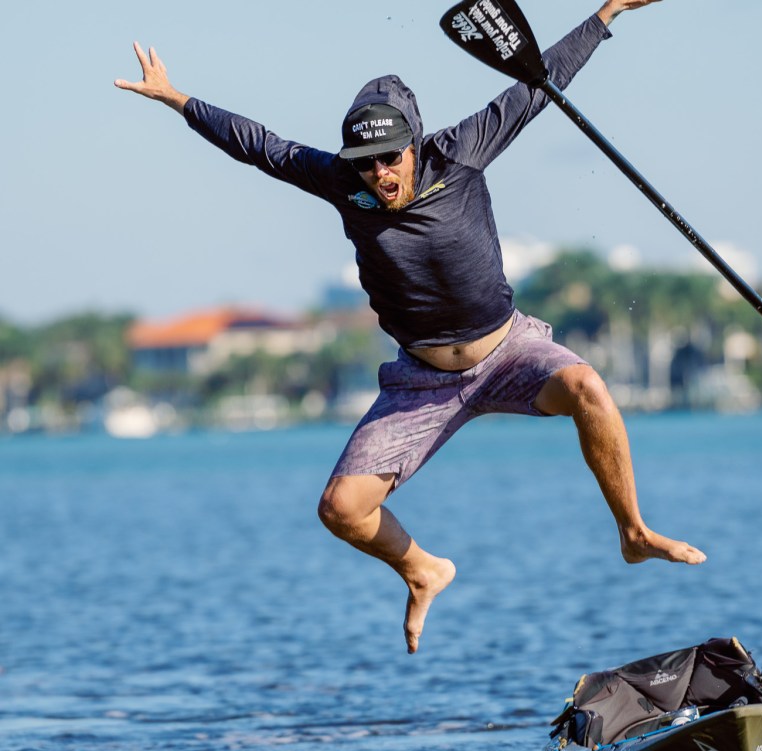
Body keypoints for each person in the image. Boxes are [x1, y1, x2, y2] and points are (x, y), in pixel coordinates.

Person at [115, 0, 706, 655]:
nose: (379, 175)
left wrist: (606, 13)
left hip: (509, 351)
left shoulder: (461, 150)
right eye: (366, 163)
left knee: (589, 388)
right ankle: (422, 569)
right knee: (340, 509)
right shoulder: (345, 183)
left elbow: (539, 86)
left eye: (389, 160)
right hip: (421, 379)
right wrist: (177, 99)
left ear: (413, 145)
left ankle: (632, 531)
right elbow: (261, 147)